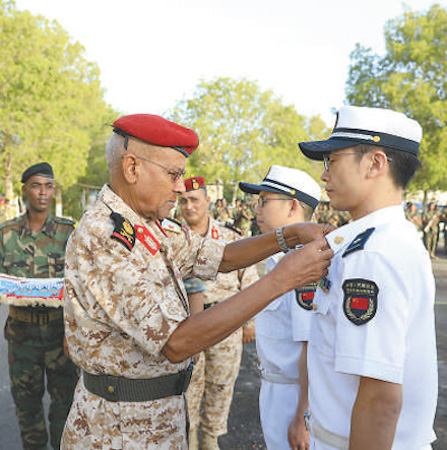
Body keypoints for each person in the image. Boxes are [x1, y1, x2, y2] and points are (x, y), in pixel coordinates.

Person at [61, 114, 333, 449]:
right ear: (132, 168)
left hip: (154, 417)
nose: (180, 186)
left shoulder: (148, 225)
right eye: (173, 174)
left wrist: (289, 236)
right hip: (118, 429)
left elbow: (220, 256)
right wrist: (281, 279)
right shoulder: (105, 237)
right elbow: (176, 342)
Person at [298, 105, 438, 449]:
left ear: (375, 163)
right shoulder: (378, 240)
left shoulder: (373, 253)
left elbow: (380, 399)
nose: (324, 175)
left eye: (333, 160)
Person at [239, 165, 321, 450]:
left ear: (293, 207)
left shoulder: (305, 266)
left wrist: (303, 416)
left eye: (264, 201)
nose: (257, 209)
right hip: (276, 389)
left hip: (294, 395)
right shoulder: (282, 260)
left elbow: (312, 347)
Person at [0, 162, 78, 450]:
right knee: (28, 411)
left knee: (65, 410)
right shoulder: (5, 234)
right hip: (22, 338)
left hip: (61, 337)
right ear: (25, 190)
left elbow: (81, 285)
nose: (42, 192)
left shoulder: (69, 233)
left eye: (48, 185)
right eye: (36, 185)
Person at [179, 176, 259, 449]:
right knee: (187, 386)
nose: (189, 206)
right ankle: (189, 438)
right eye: (183, 201)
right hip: (187, 325)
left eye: (194, 200)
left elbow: (247, 278)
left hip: (226, 322)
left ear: (207, 201)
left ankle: (211, 438)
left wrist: (249, 322)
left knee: (222, 383)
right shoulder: (171, 238)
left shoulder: (229, 236)